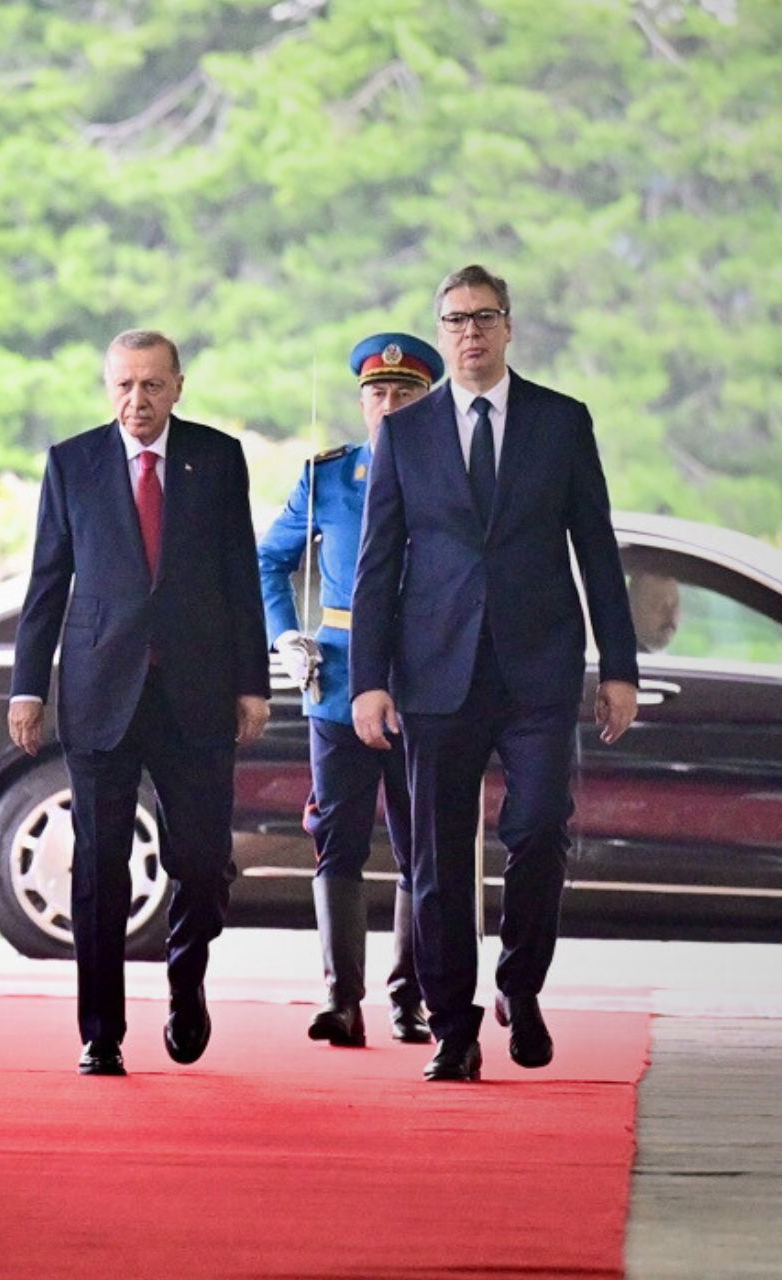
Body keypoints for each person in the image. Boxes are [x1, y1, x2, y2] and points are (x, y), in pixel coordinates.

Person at [350, 264, 639, 1082]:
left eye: (484, 317)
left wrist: (619, 666)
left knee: (541, 826)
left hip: (538, 669)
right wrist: (368, 678)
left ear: (509, 326)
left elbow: (597, 550)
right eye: (455, 321)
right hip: (435, 672)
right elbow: (378, 566)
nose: (470, 333)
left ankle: (522, 984)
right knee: (439, 858)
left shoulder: (561, 422)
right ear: (441, 334)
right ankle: (453, 1023)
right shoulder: (405, 433)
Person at [7, 328, 269, 1076]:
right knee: (99, 868)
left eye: (152, 385)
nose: (137, 400)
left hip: (197, 692)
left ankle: (187, 985)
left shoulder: (216, 459)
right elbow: (46, 584)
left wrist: (252, 684)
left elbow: (240, 579)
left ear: (178, 387)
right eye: (123, 385)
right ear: (107, 388)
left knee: (203, 858)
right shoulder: (72, 463)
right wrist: (29, 687)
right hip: (99, 692)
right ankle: (102, 1032)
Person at [258, 333, 441, 1048]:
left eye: (403, 394)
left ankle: (411, 998)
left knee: (422, 844)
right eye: (377, 394)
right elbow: (267, 560)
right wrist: (284, 636)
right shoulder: (328, 478)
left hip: (424, 679)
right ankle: (342, 999)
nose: (388, 406)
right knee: (336, 839)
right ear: (361, 401)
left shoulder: (453, 477)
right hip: (335, 678)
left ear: (428, 402)